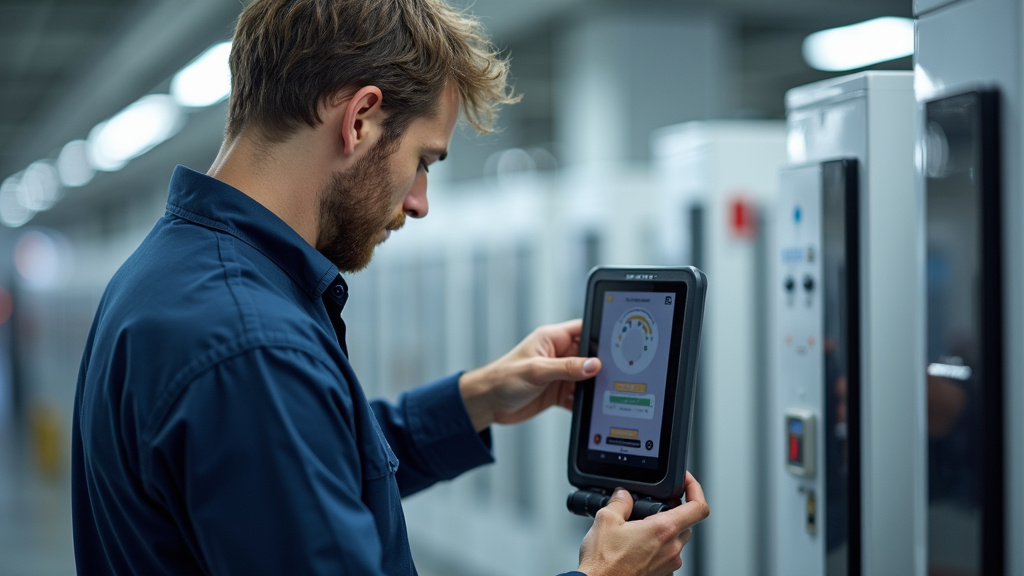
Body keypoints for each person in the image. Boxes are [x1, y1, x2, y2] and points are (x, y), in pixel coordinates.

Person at [70, 0, 709, 574]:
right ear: (361, 120)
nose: (421, 201)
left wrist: (476, 398)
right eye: (424, 161)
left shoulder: (170, 273)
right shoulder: (252, 346)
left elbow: (314, 466)